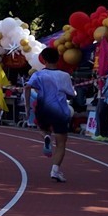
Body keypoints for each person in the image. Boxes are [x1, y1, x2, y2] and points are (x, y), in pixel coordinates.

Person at [24, 47, 77, 183]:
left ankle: (46, 136)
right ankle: (55, 170)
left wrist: (27, 107)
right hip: (59, 111)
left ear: (44, 60)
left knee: (42, 129)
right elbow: (72, 93)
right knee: (61, 143)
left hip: (42, 109)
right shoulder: (64, 75)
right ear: (58, 59)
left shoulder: (38, 75)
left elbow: (27, 87)